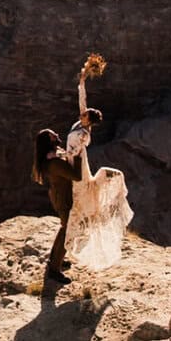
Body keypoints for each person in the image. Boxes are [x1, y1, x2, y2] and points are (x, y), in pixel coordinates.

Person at [32, 54, 108, 282]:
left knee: (67, 229)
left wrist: (71, 155)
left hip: (69, 177)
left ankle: (57, 260)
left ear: (88, 120)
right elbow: (74, 174)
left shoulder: (82, 134)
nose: (57, 133)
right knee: (67, 230)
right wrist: (82, 81)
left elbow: (75, 160)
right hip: (64, 195)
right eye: (52, 134)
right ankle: (54, 269)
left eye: (85, 114)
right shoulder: (56, 159)